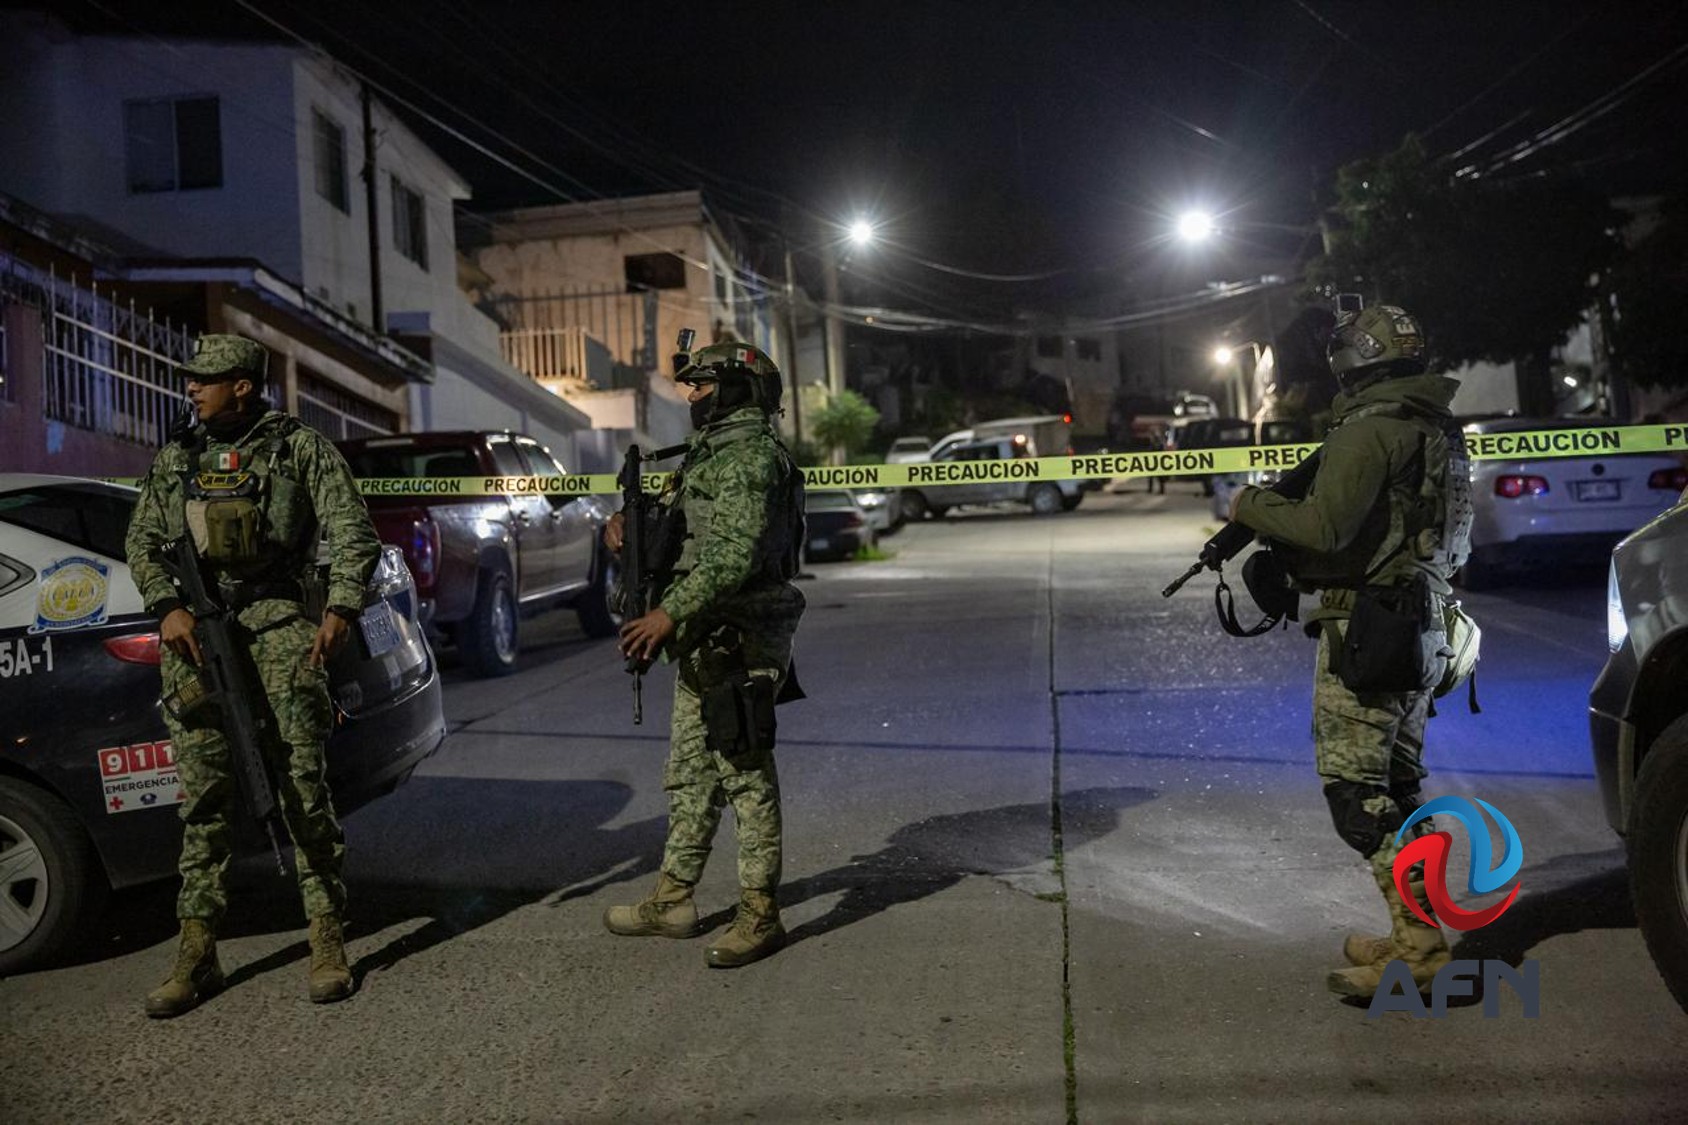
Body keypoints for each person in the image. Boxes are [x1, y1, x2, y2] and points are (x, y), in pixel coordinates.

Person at [125, 333, 382, 1017]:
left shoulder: (299, 448)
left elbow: (353, 530)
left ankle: (326, 936)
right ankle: (197, 950)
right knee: (203, 799)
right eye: (190, 379)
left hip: (279, 631)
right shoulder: (176, 458)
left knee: (301, 789)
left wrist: (341, 607)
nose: (191, 388)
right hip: (198, 641)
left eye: (205, 379)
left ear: (242, 384)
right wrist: (167, 605)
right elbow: (141, 540)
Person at [1227, 304, 1472, 1000]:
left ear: (1351, 360)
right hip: (1425, 626)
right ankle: (1414, 933)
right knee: (1399, 788)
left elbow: (1325, 528)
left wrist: (1248, 506)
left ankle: (1422, 950)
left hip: (1367, 631)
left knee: (1357, 795)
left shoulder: (1369, 429)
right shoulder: (1438, 428)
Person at [602, 341, 806, 968]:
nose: (692, 396)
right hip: (703, 633)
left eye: (703, 386)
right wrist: (627, 527)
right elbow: (685, 532)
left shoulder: (749, 457)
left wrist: (668, 613)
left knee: (744, 771)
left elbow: (734, 554)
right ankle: (673, 900)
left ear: (737, 390)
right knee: (690, 772)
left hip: (741, 633)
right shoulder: (710, 452)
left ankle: (760, 914)